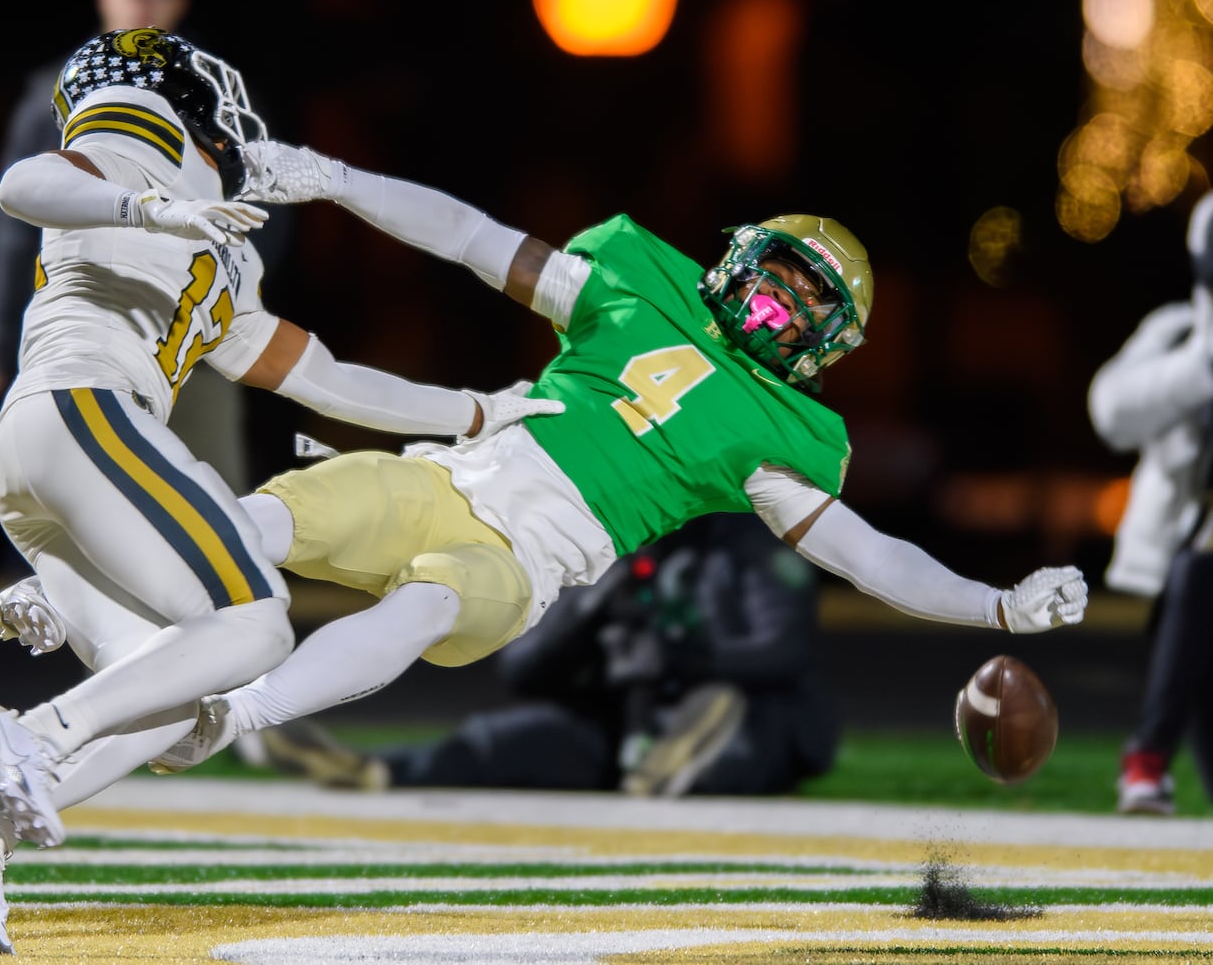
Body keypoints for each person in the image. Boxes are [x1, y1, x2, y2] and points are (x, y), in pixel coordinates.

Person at [81, 139, 1088, 778]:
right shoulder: (641, 278)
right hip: (445, 475)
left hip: (525, 561)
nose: (779, 306)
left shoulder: (791, 434)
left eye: (807, 305)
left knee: (421, 606)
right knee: (271, 511)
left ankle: (231, 714)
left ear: (828, 347)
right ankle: (93, 591)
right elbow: (475, 240)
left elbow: (870, 558)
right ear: (740, 256)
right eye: (780, 277)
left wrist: (995, 604)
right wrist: (339, 180)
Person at [0, 28, 563, 957]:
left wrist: (477, 413)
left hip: (55, 454)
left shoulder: (223, 247)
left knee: (178, 715)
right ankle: (41, 735)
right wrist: (142, 207)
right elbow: (23, 185)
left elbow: (324, 378)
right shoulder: (147, 128)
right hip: (85, 407)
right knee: (255, 621)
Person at [0, 0, 259, 560]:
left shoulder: (216, 95)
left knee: (217, 543)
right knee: (96, 549)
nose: (143, 0)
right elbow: (13, 239)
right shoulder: (56, 93)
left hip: (191, 351)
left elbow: (265, 214)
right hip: (88, 342)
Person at [254, 511, 839, 797]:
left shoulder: (747, 543)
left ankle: (681, 757)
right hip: (622, 725)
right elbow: (522, 669)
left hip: (753, 719)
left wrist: (677, 659)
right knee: (505, 740)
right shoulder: (605, 551)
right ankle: (379, 771)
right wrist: (591, 614)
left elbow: (781, 649)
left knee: (728, 723)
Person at [1088, 188, 1213, 817]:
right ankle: (1149, 754)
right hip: (1185, 574)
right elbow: (1109, 412)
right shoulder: (1178, 332)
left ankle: (1150, 752)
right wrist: (1202, 366)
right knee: (1197, 572)